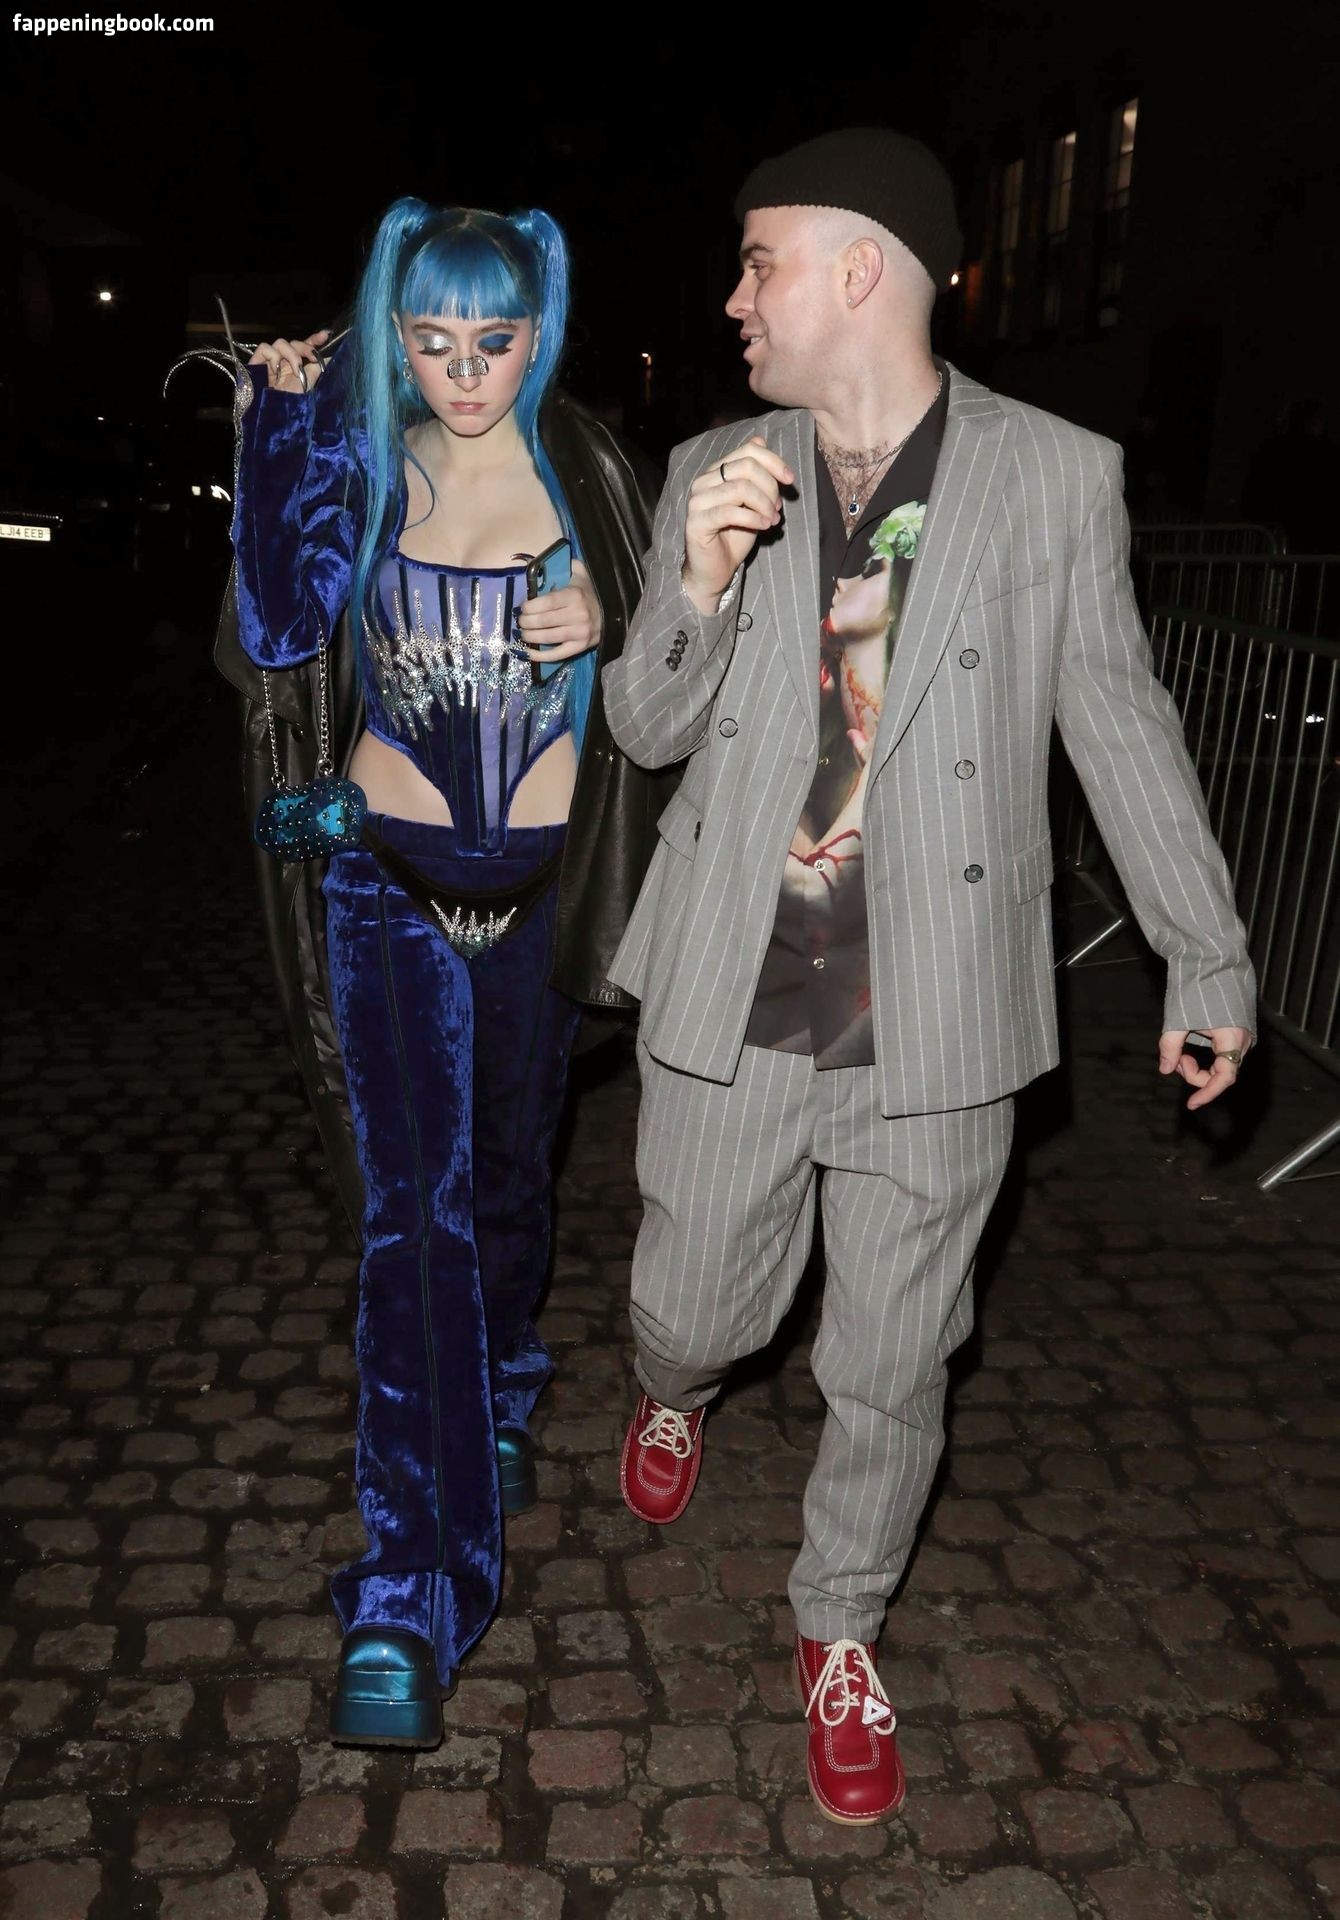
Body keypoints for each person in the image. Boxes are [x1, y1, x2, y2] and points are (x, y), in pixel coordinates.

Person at [603, 129, 1255, 1827]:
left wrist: (1206, 949)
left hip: (938, 1005)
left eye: (760, 263)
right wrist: (697, 585)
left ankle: (839, 1625)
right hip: (741, 987)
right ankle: (673, 1389)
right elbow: (644, 727)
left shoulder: (1053, 475)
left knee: (896, 1359)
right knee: (694, 1308)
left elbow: (1119, 720)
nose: (735, 299)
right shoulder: (713, 467)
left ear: (860, 270)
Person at [215, 197, 668, 1748]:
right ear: (392, 333)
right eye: (432, 340)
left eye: (495, 340)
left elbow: (685, 674)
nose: (465, 373)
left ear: (542, 330)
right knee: (415, 1221)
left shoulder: (592, 473)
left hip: (542, 897)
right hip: (385, 889)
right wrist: (278, 437)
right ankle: (410, 1591)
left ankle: (507, 1378)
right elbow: (279, 626)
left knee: (513, 1177)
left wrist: (613, 618)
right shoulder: (361, 463)